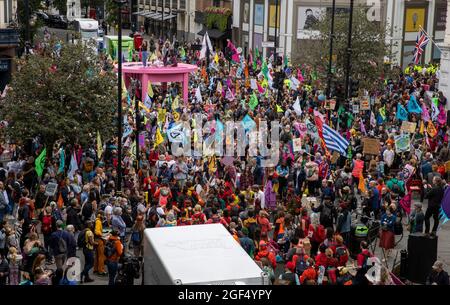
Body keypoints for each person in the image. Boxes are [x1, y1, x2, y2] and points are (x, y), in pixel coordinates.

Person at [94, 211, 107, 276]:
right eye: (103, 215)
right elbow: (97, 231)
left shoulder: (96, 220)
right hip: (99, 240)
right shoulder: (98, 221)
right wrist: (102, 235)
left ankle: (96, 269)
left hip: (96, 240)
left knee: (97, 255)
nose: (104, 216)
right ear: (100, 215)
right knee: (101, 256)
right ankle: (101, 270)